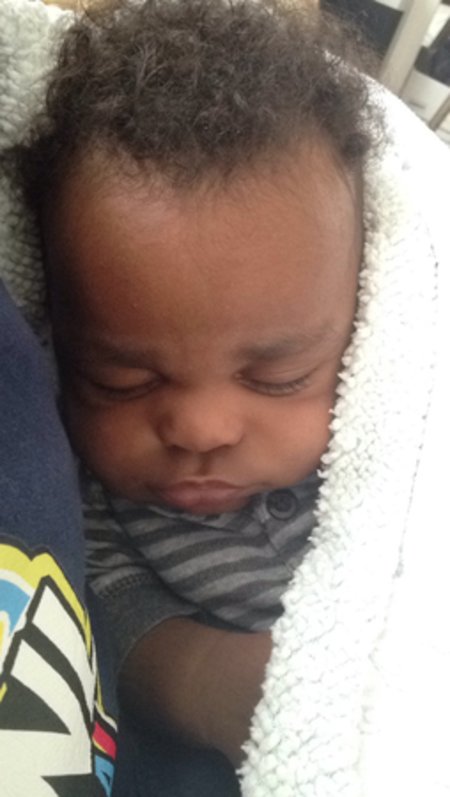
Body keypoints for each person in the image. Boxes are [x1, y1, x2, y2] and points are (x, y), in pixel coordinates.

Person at [5, 0, 381, 790]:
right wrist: (212, 681)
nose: (201, 428)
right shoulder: (90, 498)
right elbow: (107, 622)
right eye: (122, 380)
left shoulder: (388, 446)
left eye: (277, 376)